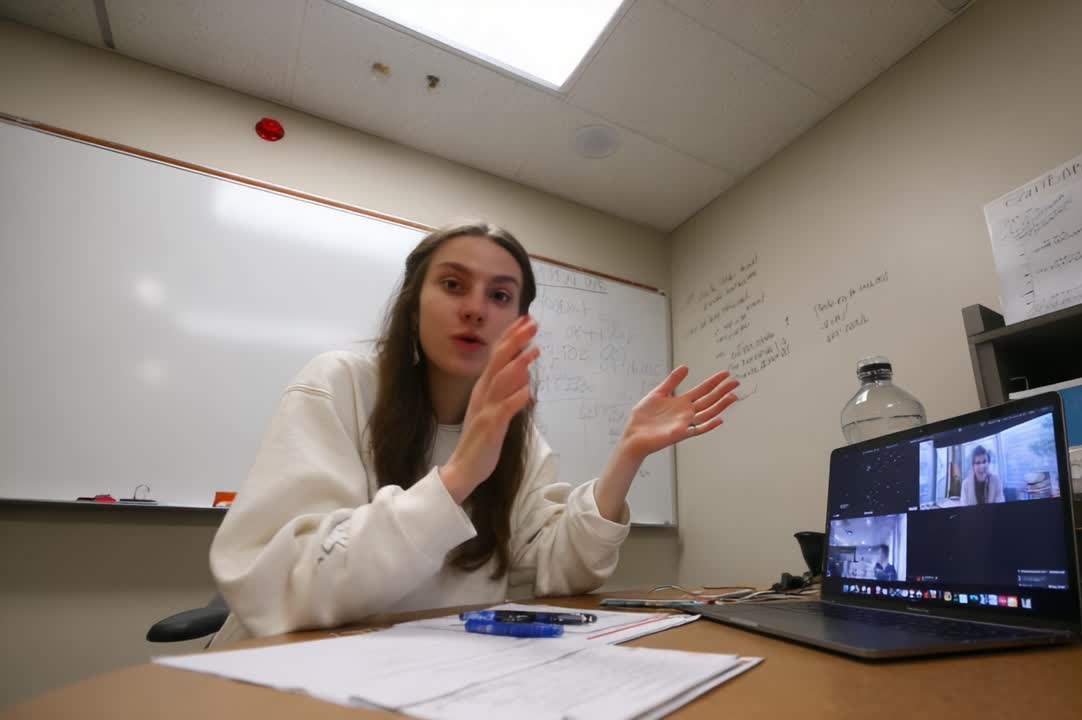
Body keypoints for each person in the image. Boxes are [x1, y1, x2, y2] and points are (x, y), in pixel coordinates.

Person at [208, 222, 739, 642]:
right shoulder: (339, 384)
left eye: (501, 296)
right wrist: (460, 474)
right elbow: (284, 591)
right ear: (413, 305)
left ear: (519, 322)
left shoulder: (520, 439)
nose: (475, 309)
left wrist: (627, 456)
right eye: (453, 284)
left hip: (446, 678)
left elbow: (555, 574)